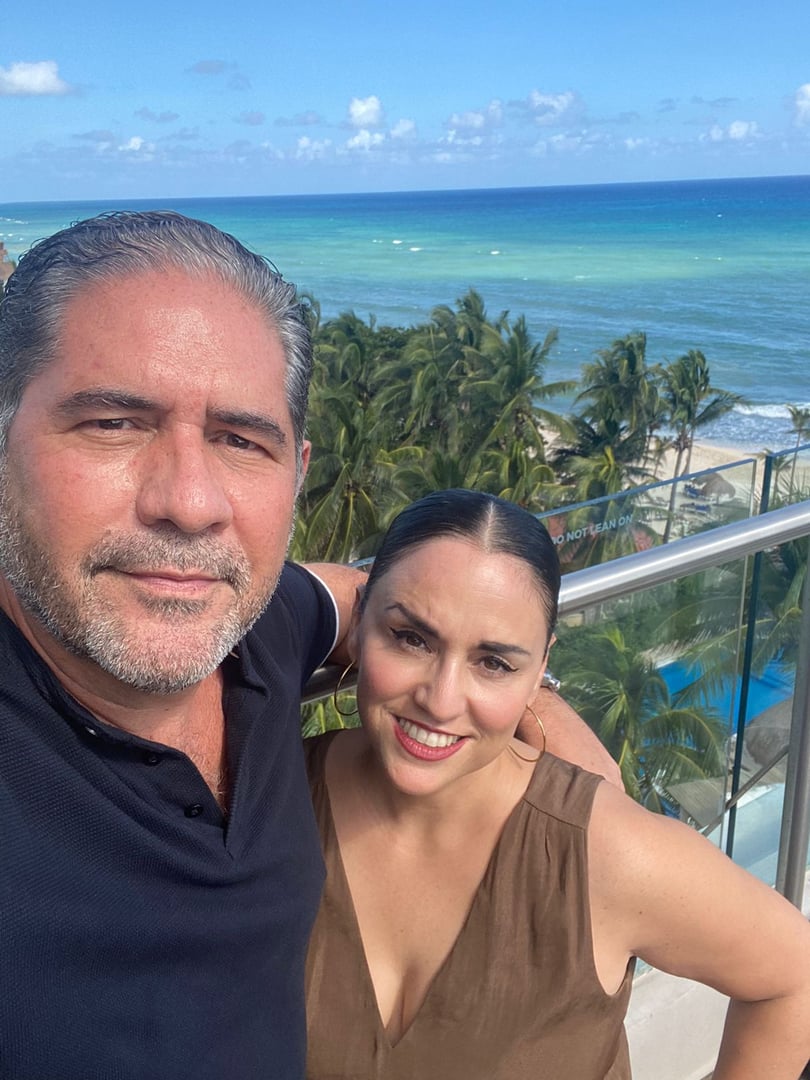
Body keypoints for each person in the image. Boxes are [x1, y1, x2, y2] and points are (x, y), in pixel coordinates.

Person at [0, 211, 614, 1079]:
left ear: (297, 472)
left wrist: (548, 733)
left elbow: (379, 600)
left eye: (240, 441)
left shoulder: (261, 624)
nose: (189, 501)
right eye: (113, 424)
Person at [304, 488, 810, 1080]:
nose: (440, 701)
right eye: (411, 638)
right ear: (360, 622)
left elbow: (794, 977)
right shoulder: (270, 799)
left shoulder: (598, 851)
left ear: (541, 667)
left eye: (494, 663)